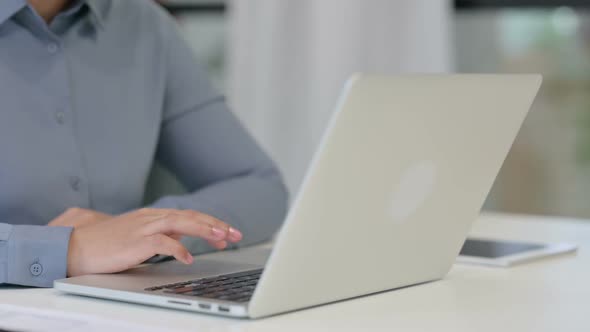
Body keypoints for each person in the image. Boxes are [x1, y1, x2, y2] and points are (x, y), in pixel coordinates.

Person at [0, 0, 289, 287]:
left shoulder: (143, 25)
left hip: (114, 312)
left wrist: (149, 229)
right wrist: (69, 250)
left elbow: (259, 187)